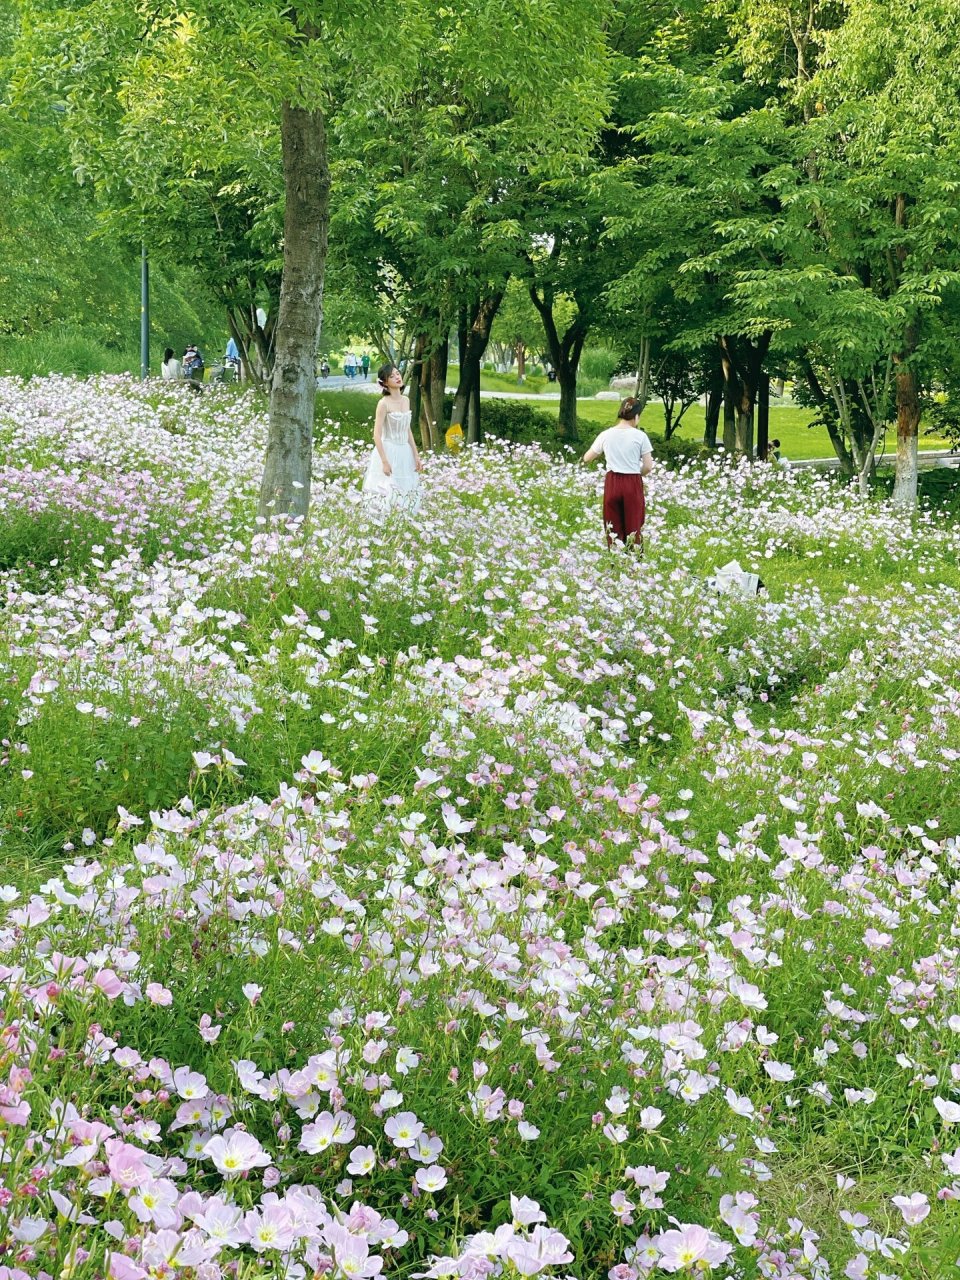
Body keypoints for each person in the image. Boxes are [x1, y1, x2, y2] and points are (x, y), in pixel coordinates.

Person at [582, 396, 654, 548]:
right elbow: (648, 466)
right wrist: (637, 473)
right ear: (636, 416)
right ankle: (633, 563)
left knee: (613, 525)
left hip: (612, 482)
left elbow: (587, 458)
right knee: (633, 526)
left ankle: (615, 560)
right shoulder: (640, 436)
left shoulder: (606, 434)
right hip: (632, 482)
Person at [361, 363, 423, 512]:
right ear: (385, 382)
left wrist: (416, 455)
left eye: (397, 374)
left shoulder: (406, 400)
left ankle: (404, 522)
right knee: (388, 489)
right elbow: (376, 434)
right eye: (391, 376)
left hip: (405, 451)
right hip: (389, 449)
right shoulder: (383, 404)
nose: (397, 377)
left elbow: (407, 429)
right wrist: (384, 461)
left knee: (406, 487)